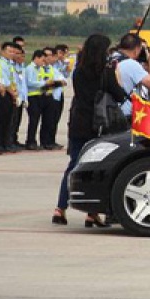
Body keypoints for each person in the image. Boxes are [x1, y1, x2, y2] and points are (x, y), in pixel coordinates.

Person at [53, 34, 128, 228]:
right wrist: (115, 74)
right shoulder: (105, 71)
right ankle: (91, 213)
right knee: (97, 167)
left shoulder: (78, 71)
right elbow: (120, 96)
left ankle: (60, 208)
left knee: (74, 165)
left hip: (79, 123)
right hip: (99, 125)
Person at [113, 34, 150, 117]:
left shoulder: (111, 59)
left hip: (111, 112)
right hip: (126, 115)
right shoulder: (131, 64)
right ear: (136, 50)